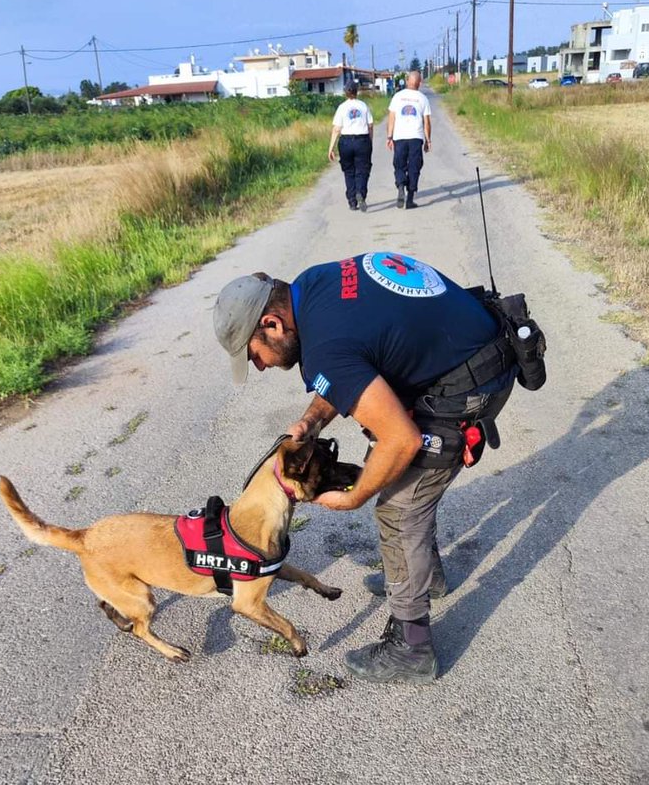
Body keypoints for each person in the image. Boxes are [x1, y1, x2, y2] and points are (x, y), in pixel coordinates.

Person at [213, 252, 533, 685]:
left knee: (397, 507)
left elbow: (402, 439)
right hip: (478, 345)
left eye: (254, 355)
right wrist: (311, 420)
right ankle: (427, 577)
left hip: (473, 381)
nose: (259, 366)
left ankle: (411, 647)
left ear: (272, 324)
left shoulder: (325, 346)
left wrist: (355, 496)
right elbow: (354, 365)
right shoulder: (311, 288)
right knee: (399, 480)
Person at [386, 70, 431, 209]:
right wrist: (428, 140)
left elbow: (392, 118)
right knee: (414, 166)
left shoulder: (397, 97)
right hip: (416, 138)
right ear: (420, 83)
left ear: (407, 81)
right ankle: (410, 198)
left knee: (399, 164)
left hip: (400, 137)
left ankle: (400, 186)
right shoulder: (423, 98)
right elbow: (427, 122)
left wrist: (389, 136)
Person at [328, 81, 374, 212]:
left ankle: (352, 201)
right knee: (362, 170)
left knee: (349, 172)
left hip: (346, 141)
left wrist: (331, 147)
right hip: (362, 140)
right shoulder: (363, 106)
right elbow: (370, 125)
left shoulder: (342, 107)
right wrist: (370, 141)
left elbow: (337, 129)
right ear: (356, 91)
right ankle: (361, 193)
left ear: (346, 92)